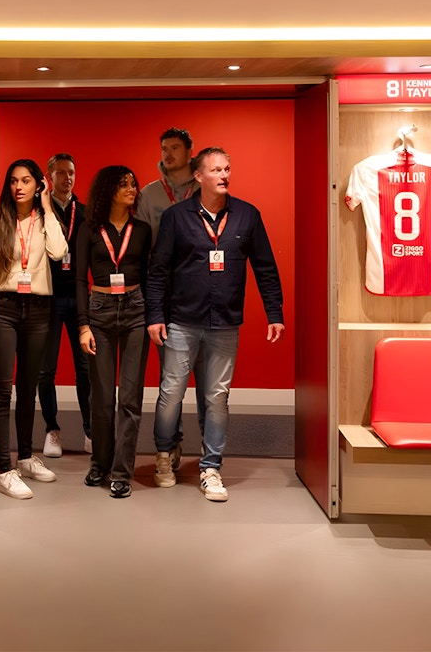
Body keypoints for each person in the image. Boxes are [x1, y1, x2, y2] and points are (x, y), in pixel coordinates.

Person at [145, 146, 285, 502]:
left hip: (224, 324)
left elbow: (265, 268)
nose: (224, 175)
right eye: (217, 170)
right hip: (181, 321)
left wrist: (275, 313)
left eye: (228, 169)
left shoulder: (247, 216)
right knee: (171, 394)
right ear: (199, 176)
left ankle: (210, 466)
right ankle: (165, 454)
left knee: (217, 397)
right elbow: (158, 270)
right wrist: (155, 316)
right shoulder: (177, 217)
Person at [0, 158, 69, 500]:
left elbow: (60, 252)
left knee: (29, 386)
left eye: (27, 181)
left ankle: (27, 456)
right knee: (3, 390)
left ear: (38, 185)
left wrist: (47, 207)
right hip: (3, 307)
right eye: (14, 181)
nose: (19, 187)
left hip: (39, 309)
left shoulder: (45, 220)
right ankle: (4, 469)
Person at [75, 166, 153, 499]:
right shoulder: (88, 230)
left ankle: (122, 472)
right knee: (102, 398)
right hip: (100, 311)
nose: (132, 189)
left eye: (133, 184)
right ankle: (100, 464)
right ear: (108, 190)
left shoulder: (143, 230)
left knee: (131, 400)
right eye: (124, 185)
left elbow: (151, 276)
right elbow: (79, 279)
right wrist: (83, 325)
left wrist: (153, 316)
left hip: (136, 310)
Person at [135, 127, 203, 472]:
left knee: (207, 381)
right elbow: (143, 249)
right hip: (164, 297)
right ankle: (171, 445)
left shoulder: (204, 190)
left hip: (202, 295)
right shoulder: (149, 195)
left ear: (190, 152)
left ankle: (208, 455)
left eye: (175, 148)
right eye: (164, 148)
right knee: (171, 378)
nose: (168, 154)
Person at [37, 153, 92, 457]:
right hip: (48, 297)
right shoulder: (39, 212)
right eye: (59, 173)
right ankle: (51, 429)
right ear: (49, 177)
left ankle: (89, 430)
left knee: (85, 368)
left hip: (79, 297)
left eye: (70, 172)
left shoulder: (84, 213)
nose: (66, 178)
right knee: (46, 371)